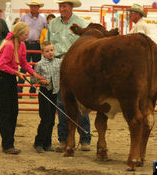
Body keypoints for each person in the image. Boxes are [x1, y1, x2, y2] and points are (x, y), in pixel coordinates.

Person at [47, 0, 91, 152]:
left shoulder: (81, 23)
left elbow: (87, 46)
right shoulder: (52, 24)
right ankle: (63, 138)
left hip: (76, 64)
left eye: (65, 6)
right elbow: (48, 44)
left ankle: (85, 138)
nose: (62, 8)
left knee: (80, 102)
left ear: (71, 7)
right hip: (58, 63)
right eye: (60, 6)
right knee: (61, 102)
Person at [0, 22, 45, 154]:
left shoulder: (21, 45)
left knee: (13, 111)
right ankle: (7, 145)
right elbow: (1, 65)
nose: (27, 36)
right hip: (3, 79)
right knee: (6, 112)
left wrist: (33, 73)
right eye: (25, 34)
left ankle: (9, 142)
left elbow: (23, 62)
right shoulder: (9, 46)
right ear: (18, 33)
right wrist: (16, 72)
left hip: (10, 78)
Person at [32, 41, 62, 153]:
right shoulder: (39, 64)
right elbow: (32, 79)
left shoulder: (59, 62)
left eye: (52, 50)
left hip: (54, 93)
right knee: (46, 118)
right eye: (47, 51)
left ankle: (47, 144)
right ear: (43, 53)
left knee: (52, 120)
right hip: (44, 93)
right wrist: (40, 80)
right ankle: (38, 143)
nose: (50, 53)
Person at [17, 0, 47, 97]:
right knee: (23, 67)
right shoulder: (24, 18)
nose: (34, 8)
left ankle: (32, 91)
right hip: (24, 44)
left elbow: (46, 31)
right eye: (32, 6)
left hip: (37, 45)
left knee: (36, 68)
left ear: (38, 7)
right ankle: (19, 90)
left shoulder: (43, 19)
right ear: (30, 7)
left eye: (35, 6)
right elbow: (18, 29)